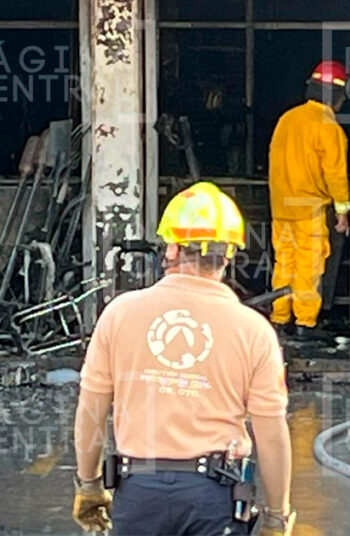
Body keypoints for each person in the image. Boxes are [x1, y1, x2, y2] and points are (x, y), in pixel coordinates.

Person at [72, 182, 294, 536]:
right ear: (228, 254)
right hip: (214, 500)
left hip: (138, 494)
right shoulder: (253, 330)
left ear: (172, 248)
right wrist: (275, 517)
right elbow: (272, 435)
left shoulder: (119, 314)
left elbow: (91, 411)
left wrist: (89, 485)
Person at [268, 60, 350, 338]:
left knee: (284, 263)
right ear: (336, 95)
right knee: (308, 266)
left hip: (281, 209)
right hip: (310, 209)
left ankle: (280, 318)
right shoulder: (328, 126)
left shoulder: (287, 119)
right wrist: (343, 211)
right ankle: (305, 323)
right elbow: (335, 174)